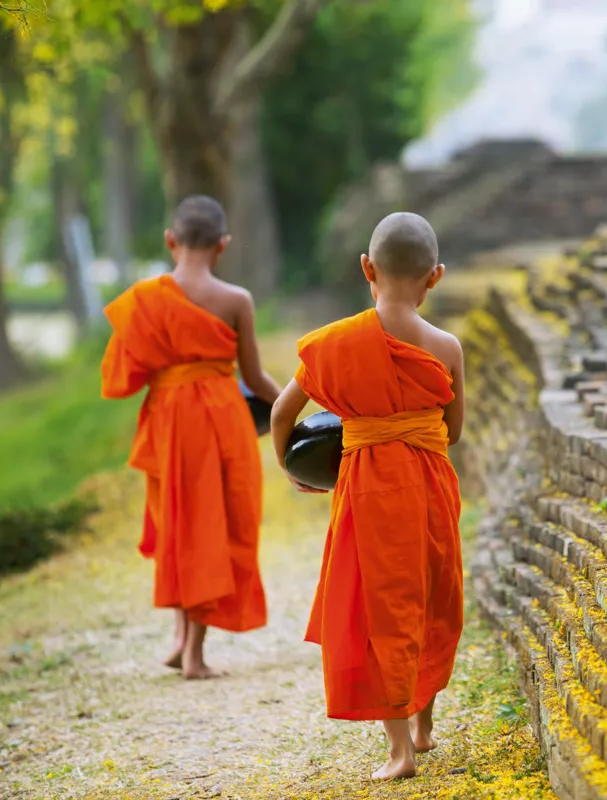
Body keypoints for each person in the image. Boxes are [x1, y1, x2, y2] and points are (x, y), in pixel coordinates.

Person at [270, 212, 466, 781]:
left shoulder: (337, 344)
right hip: (429, 486)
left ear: (367, 269)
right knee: (430, 596)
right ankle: (426, 726)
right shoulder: (447, 346)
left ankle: (400, 750)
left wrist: (294, 468)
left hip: (367, 490)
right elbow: (452, 431)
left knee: (383, 606)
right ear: (436, 278)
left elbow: (283, 414)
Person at [101, 195, 281, 680]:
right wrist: (295, 403)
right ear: (222, 246)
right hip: (221, 420)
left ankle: (182, 639)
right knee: (214, 525)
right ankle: (195, 654)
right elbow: (257, 380)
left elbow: (122, 375)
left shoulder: (147, 298)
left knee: (178, 522)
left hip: (169, 420)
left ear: (170, 241)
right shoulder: (235, 300)